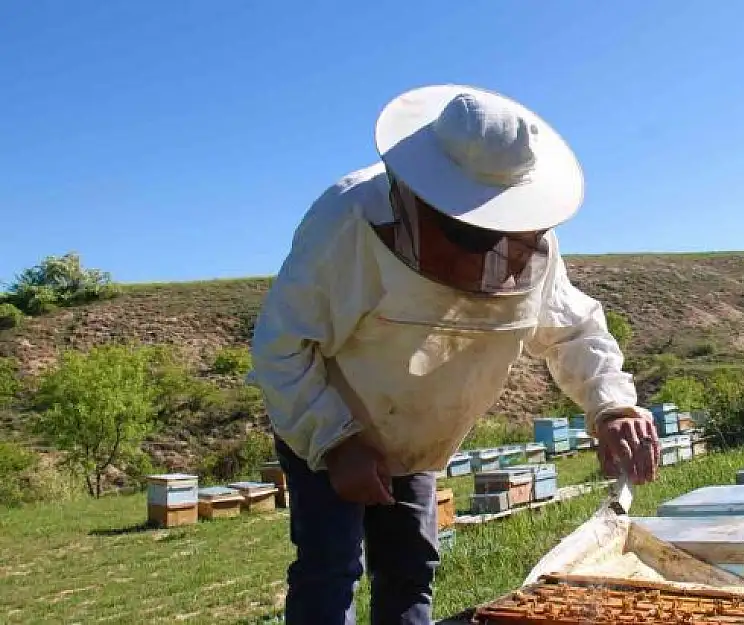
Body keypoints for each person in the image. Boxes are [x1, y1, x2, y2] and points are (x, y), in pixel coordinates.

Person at [247, 83, 661, 625]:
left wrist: (612, 406)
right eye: (470, 232)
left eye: (501, 232)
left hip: (418, 438)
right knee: (331, 568)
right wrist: (335, 441)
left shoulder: (532, 242)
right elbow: (281, 346)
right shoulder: (345, 221)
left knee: (411, 566)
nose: (490, 248)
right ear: (420, 195)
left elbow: (572, 328)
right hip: (328, 424)